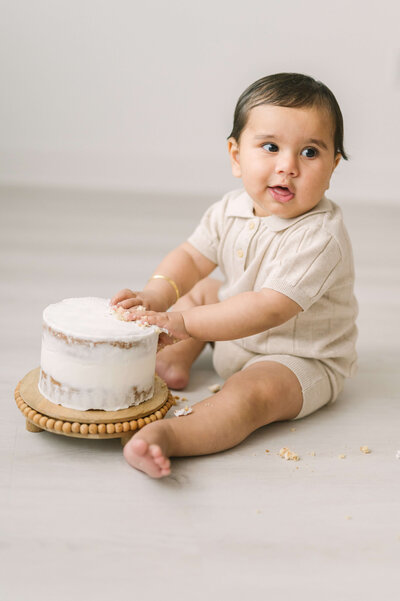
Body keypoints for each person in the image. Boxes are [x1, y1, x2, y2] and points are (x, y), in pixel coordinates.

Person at [111, 72, 358, 478]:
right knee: (204, 290)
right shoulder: (231, 208)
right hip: (235, 330)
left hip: (297, 358)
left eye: (310, 153)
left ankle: (170, 436)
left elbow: (267, 308)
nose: (288, 166)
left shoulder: (320, 237)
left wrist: (184, 322)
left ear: (333, 167)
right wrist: (156, 296)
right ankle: (172, 362)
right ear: (236, 155)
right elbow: (191, 258)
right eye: (270, 147)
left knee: (246, 395)